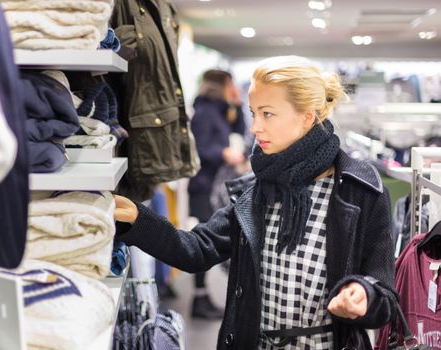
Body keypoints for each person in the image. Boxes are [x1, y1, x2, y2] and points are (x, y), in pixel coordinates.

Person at [114, 56, 397, 349]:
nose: (255, 127)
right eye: (253, 113)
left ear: (307, 116)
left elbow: (385, 293)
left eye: (268, 114)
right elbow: (197, 249)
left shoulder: (359, 191)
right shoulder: (255, 192)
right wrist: (138, 220)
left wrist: (363, 294)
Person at [187, 69, 246, 319]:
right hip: (203, 188)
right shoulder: (204, 112)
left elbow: (240, 129)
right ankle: (199, 299)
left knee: (212, 240)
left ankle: (203, 298)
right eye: (230, 84)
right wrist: (222, 153)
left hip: (214, 187)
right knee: (205, 241)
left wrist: (238, 103)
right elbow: (198, 149)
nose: (232, 88)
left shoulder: (220, 110)